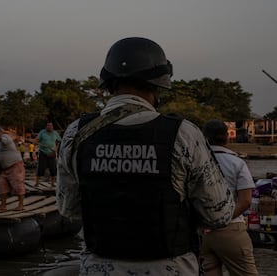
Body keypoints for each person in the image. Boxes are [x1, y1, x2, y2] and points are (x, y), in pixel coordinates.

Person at [56, 37, 235, 275]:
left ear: (108, 82)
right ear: (158, 84)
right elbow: (219, 214)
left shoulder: (75, 133)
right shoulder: (184, 134)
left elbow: (68, 208)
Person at [200, 119, 258, 275]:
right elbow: (245, 201)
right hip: (231, 229)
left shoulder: (196, 162)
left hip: (201, 231)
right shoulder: (237, 163)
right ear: (226, 137)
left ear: (204, 138)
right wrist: (221, 219)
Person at [0, 128, 26, 211]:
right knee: (2, 186)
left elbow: (4, 141)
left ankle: (21, 205)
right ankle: (3, 206)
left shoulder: (5, 137)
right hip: (4, 168)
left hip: (15, 165)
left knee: (18, 185)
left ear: (0, 132)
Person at [35, 122, 61, 187]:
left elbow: (59, 141)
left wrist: (56, 148)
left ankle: (52, 183)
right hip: (43, 152)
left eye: (51, 126)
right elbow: (37, 140)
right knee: (40, 168)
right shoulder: (42, 132)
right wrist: (39, 143)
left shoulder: (55, 133)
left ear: (52, 127)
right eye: (48, 126)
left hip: (52, 153)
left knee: (53, 168)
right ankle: (37, 183)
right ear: (46, 127)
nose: (49, 127)